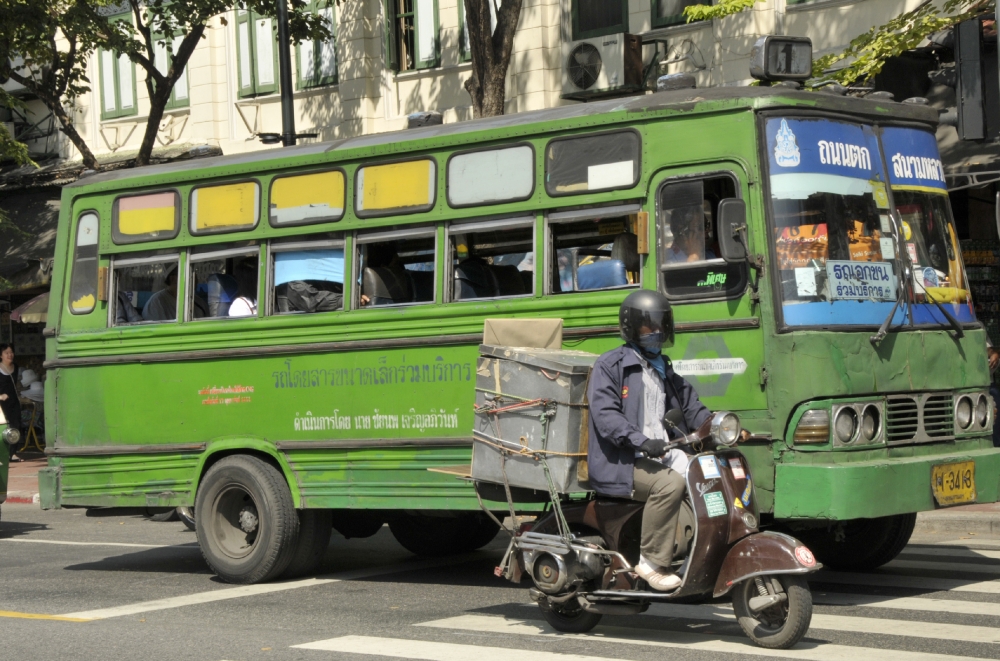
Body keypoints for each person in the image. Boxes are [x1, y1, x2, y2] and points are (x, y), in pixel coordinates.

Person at [586, 290, 712, 591]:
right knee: (670, 484)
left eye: (660, 324)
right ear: (631, 326)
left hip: (660, 453)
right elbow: (607, 418)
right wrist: (641, 441)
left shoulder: (662, 367)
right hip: (622, 460)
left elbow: (692, 407)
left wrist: (718, 426)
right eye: (648, 325)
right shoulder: (611, 365)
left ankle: (695, 547)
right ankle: (652, 562)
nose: (655, 331)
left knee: (706, 474)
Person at [0, 344, 23, 462]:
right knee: (2, 427)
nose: (10, 355)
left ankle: (12, 453)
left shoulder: (16, 367)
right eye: (6, 353)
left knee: (16, 425)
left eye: (11, 352)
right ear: (1, 355)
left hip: (13, 401)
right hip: (0, 403)